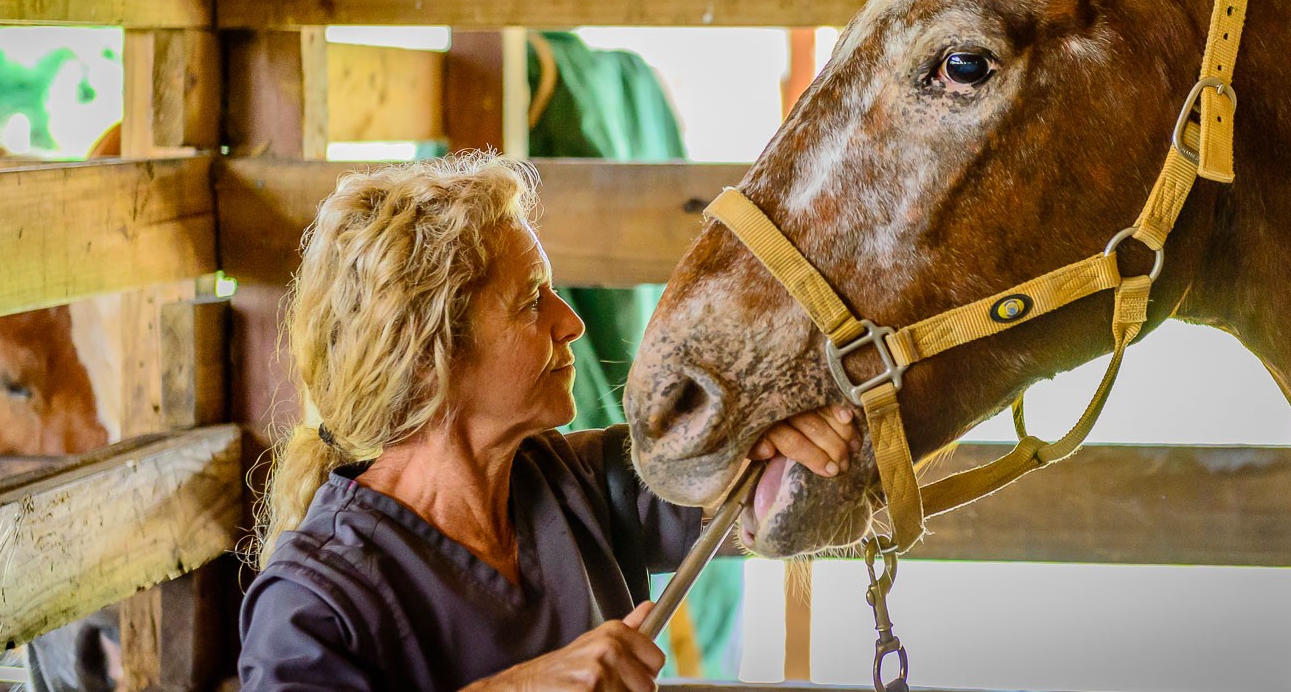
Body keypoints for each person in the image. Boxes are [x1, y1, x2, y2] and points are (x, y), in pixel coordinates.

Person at [240, 153, 858, 692]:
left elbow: (743, 482)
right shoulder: (312, 602)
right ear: (428, 357)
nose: (572, 323)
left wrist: (787, 438)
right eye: (532, 300)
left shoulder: (578, 481)